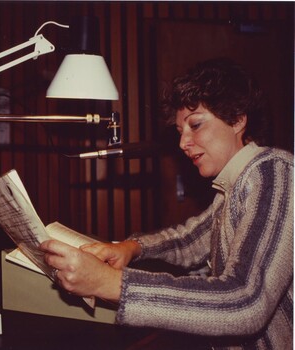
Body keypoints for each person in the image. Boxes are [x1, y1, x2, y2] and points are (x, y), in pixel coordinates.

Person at [40, 58, 293, 349]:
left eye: (195, 125)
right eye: (179, 131)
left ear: (237, 119)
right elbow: (189, 239)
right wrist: (131, 248)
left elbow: (245, 303)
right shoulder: (236, 185)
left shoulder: (274, 172)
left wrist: (110, 284)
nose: (183, 143)